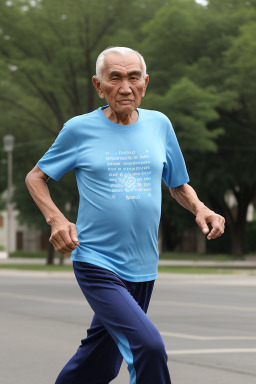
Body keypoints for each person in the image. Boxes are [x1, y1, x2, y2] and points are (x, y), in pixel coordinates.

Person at [25, 46, 225, 384]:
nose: (125, 86)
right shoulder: (78, 129)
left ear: (145, 83)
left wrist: (201, 208)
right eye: (114, 78)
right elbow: (36, 177)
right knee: (148, 347)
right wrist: (57, 219)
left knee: (99, 364)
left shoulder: (159, 125)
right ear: (98, 85)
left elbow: (178, 184)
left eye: (133, 77)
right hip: (96, 262)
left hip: (144, 266)